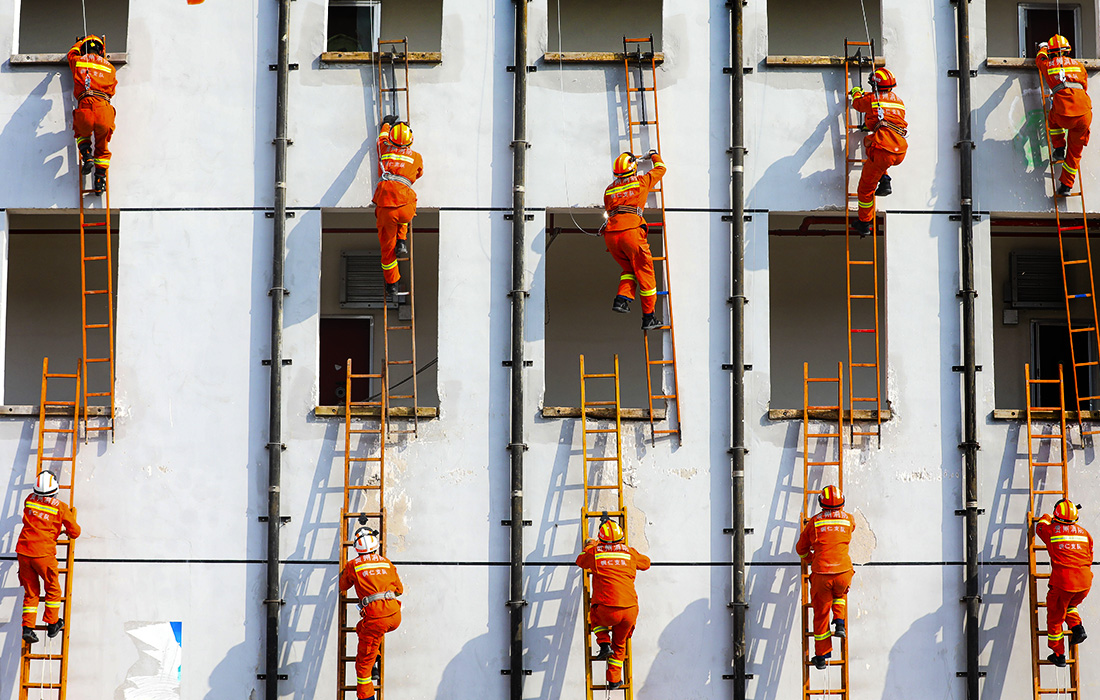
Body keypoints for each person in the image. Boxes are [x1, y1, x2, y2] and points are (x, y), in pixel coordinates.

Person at [575, 518, 651, 691]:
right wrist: (630, 553)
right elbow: (646, 563)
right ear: (621, 537)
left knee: (594, 616)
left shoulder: (595, 552)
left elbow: (580, 561)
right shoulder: (629, 553)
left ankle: (603, 643)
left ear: (601, 538)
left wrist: (589, 545)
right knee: (620, 644)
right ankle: (614, 680)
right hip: (629, 610)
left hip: (606, 609)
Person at [602, 150, 667, 330]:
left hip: (611, 236)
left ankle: (621, 300)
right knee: (646, 274)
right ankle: (648, 317)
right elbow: (661, 169)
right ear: (633, 168)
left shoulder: (609, 190)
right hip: (631, 233)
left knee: (629, 269)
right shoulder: (641, 182)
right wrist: (653, 156)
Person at [339, 522, 403, 699]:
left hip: (376, 618)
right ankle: (375, 659)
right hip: (394, 616)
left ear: (357, 546)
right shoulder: (386, 562)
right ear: (375, 544)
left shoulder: (354, 565)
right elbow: (399, 590)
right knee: (361, 628)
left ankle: (367, 697)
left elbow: (343, 585)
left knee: (361, 668)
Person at [795, 485, 855, 670]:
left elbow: (801, 549)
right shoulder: (849, 519)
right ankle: (839, 622)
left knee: (820, 615)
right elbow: (846, 531)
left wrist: (812, 559)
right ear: (842, 502)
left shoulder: (814, 522)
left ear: (821, 502)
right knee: (840, 594)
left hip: (822, 574)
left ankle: (821, 657)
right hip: (844, 572)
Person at [17, 471, 80, 644]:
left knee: (31, 592)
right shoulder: (60, 507)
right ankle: (52, 624)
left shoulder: (29, 499)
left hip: (23, 551)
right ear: (55, 490)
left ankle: (28, 628)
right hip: (43, 554)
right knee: (53, 589)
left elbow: (33, 517)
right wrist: (63, 527)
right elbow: (75, 532)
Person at [848, 68, 907, 237]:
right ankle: (885, 179)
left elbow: (858, 104)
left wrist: (856, 92)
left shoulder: (873, 98)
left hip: (885, 149)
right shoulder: (898, 101)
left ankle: (864, 223)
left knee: (865, 189)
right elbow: (886, 118)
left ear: (874, 84)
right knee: (870, 145)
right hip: (898, 149)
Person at [1034, 499, 1093, 667]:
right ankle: (1077, 628)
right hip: (1084, 583)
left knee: (1055, 618)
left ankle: (1059, 654)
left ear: (1056, 515)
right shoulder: (1084, 533)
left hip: (1064, 584)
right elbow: (1089, 555)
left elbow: (1040, 527)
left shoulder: (1052, 531)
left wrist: (1046, 516)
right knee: (1069, 605)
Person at [373, 116, 423, 298]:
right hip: (405, 209)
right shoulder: (416, 156)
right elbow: (418, 173)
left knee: (387, 250)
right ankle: (402, 241)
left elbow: (381, 138)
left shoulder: (384, 148)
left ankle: (392, 284)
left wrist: (386, 123)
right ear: (410, 140)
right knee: (408, 203)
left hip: (386, 207)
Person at [1036, 35, 1092, 196]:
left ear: (1051, 52)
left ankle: (1059, 147)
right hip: (1084, 113)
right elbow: (1084, 85)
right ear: (1068, 50)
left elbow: (1039, 60)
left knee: (1052, 120)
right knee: (1075, 152)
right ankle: (1067, 186)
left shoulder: (1048, 64)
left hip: (1064, 113)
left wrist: (1042, 48)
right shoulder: (1079, 65)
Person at [67, 35, 117, 196]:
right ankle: (99, 180)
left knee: (81, 132)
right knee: (102, 146)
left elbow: (71, 54)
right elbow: (112, 89)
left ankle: (86, 154)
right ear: (101, 50)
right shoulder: (110, 67)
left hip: (85, 106)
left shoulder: (79, 61)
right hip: (103, 108)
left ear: (83, 48)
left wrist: (79, 42)